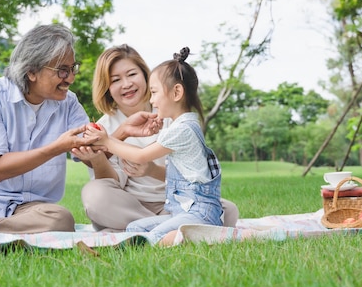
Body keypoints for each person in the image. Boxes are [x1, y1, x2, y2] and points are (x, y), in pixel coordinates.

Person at [0, 24, 157, 258]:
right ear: (31, 71)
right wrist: (56, 147)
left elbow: (91, 157)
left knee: (59, 219)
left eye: (72, 68)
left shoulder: (68, 103)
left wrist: (121, 133)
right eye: (62, 70)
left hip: (25, 208)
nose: (70, 77)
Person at [72, 44, 238, 233]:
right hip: (131, 205)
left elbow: (187, 173)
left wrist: (151, 170)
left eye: (132, 74)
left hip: (175, 201)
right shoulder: (105, 126)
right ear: (107, 88)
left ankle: (144, 228)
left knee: (228, 210)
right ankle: (166, 226)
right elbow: (113, 182)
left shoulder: (171, 115)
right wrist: (100, 156)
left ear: (145, 75)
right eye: (116, 80)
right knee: (95, 196)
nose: (126, 84)